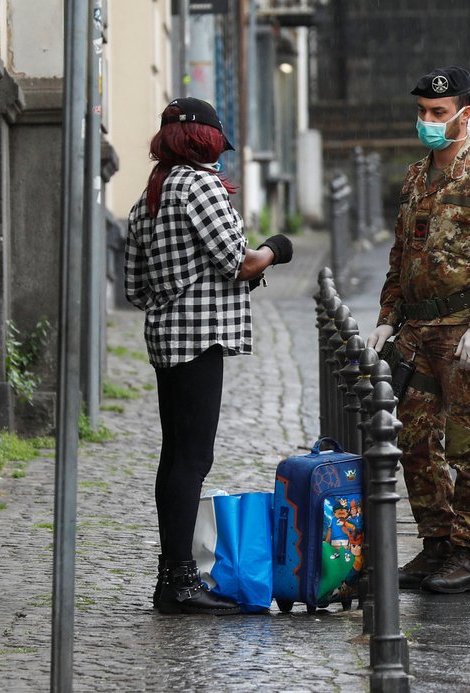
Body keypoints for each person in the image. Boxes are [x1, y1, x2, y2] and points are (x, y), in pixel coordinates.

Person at [125, 97, 293, 615]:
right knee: (193, 459)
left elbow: (134, 286)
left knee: (175, 456)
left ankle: (169, 577)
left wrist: (174, 287)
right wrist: (275, 249)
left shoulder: (149, 193)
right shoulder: (199, 185)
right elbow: (238, 262)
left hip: (165, 337)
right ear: (207, 140)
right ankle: (178, 584)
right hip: (199, 337)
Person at [365, 66, 470, 594]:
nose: (428, 122)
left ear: (466, 115)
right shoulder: (417, 177)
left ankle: (467, 552)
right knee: (412, 440)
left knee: (468, 443)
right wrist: (388, 317)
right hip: (418, 330)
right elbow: (401, 256)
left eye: (438, 113)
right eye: (422, 113)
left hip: (464, 333)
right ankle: (433, 543)